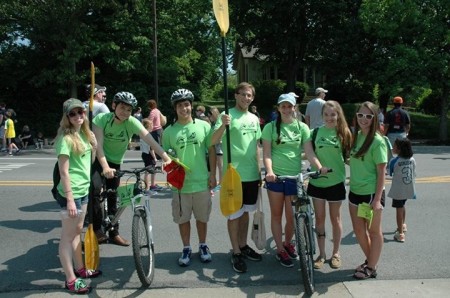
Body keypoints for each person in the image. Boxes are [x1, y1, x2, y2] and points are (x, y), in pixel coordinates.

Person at [91, 92, 172, 246]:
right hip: (98, 160)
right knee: (95, 190)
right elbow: (98, 146)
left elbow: (150, 139)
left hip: (115, 162)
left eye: (129, 110)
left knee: (113, 195)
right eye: (122, 107)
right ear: (114, 106)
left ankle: (114, 232)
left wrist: (166, 158)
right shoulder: (101, 119)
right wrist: (105, 167)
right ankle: (96, 229)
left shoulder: (132, 122)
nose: (125, 112)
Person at [262, 93, 330, 268]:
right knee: (276, 215)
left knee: (291, 216)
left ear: (294, 108)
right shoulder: (270, 127)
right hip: (276, 177)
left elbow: (309, 152)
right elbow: (267, 153)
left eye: (289, 106)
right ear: (278, 108)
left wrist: (319, 166)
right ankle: (280, 249)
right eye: (283, 106)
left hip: (294, 176)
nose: (286, 109)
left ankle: (288, 242)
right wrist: (269, 171)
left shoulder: (302, 127)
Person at [211, 82, 263, 273]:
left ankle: (243, 245)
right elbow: (212, 141)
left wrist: (259, 171)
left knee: (246, 212)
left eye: (249, 95)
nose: (246, 98)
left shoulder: (254, 118)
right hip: (233, 174)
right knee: (234, 213)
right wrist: (223, 126)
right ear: (236, 95)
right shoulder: (227, 116)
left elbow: (256, 146)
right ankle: (236, 252)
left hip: (251, 174)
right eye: (243, 94)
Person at [162, 88, 216, 267]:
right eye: (180, 106)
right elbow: (167, 158)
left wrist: (213, 175)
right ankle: (186, 247)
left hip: (202, 182)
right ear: (175, 109)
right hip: (180, 185)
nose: (184, 108)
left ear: (191, 106)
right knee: (183, 219)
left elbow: (211, 151)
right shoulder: (168, 131)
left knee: (202, 218)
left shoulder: (204, 126)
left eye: (187, 104)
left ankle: (203, 245)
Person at [54, 98, 101, 294]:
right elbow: (64, 172)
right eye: (72, 114)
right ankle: (70, 279)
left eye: (80, 112)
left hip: (83, 190)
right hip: (70, 194)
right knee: (67, 236)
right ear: (66, 117)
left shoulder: (85, 134)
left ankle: (81, 269)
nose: (77, 116)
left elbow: (88, 162)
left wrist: (95, 144)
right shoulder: (65, 139)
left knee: (77, 232)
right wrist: (71, 199)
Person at [306, 101, 352, 270]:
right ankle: (321, 254)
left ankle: (336, 253)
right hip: (317, 182)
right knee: (319, 219)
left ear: (338, 115)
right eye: (326, 114)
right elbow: (308, 152)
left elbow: (349, 159)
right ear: (322, 115)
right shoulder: (315, 132)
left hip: (336, 182)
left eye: (333, 114)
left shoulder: (344, 133)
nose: (329, 118)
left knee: (336, 219)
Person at [349, 101, 387, 280]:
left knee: (373, 231)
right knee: (358, 231)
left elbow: (381, 173)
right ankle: (371, 261)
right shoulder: (355, 136)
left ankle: (371, 266)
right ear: (356, 116)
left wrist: (377, 200)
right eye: (361, 115)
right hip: (354, 191)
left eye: (368, 116)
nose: (364, 119)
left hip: (371, 194)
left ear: (374, 119)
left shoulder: (378, 141)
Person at [388, 138, 416, 243]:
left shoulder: (394, 161)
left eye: (394, 146)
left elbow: (390, 172)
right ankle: (403, 225)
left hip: (398, 189)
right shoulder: (412, 159)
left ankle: (400, 233)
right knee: (402, 205)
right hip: (408, 187)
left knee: (398, 208)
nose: (393, 147)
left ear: (399, 149)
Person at [146, 99, 165, 191]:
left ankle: (156, 157)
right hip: (160, 129)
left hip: (154, 130)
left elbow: (149, 121)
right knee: (160, 145)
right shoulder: (157, 110)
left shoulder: (152, 112)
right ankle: (159, 158)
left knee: (154, 145)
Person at [207, 107, 223, 185]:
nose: (209, 118)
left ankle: (221, 184)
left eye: (210, 116)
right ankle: (220, 183)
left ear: (213, 115)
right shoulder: (214, 124)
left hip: (220, 148)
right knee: (218, 167)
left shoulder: (219, 123)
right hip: (215, 147)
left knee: (221, 167)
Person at [140, 119, 156, 194]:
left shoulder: (142, 133)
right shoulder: (148, 135)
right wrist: (155, 157)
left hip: (144, 153)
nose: (152, 126)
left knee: (151, 170)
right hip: (148, 154)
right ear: (148, 126)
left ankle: (152, 185)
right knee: (148, 171)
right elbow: (151, 148)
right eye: (151, 125)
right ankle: (147, 188)